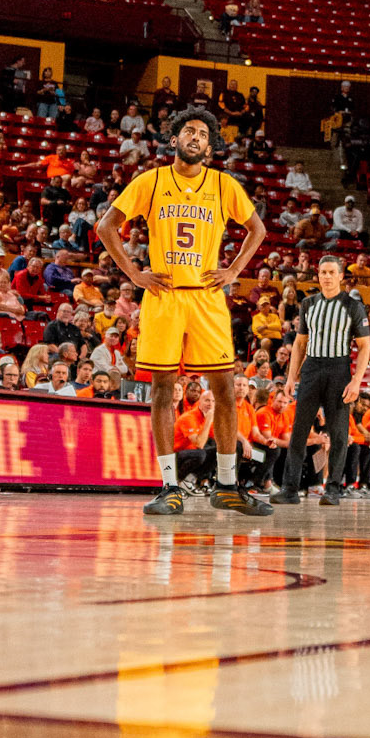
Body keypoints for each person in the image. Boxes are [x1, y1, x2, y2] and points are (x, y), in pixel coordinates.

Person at [96, 106, 271, 517]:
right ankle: (169, 486)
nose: (196, 137)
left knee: (225, 388)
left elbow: (258, 229)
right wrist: (134, 274)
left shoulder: (223, 183)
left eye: (203, 134)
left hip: (207, 297)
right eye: (189, 131)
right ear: (174, 139)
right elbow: (106, 226)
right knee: (162, 390)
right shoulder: (151, 180)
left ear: (210, 147)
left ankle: (226, 486)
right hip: (166, 294)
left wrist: (233, 271)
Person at [276, 254, 370, 504]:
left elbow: (364, 346)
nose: (327, 277)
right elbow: (300, 344)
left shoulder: (353, 306)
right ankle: (289, 489)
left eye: (331, 272)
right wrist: (291, 378)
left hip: (339, 369)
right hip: (311, 368)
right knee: (299, 430)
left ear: (341, 276)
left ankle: (333, 489)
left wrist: (356, 380)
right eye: (323, 272)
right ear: (318, 275)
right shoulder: (308, 304)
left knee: (338, 433)